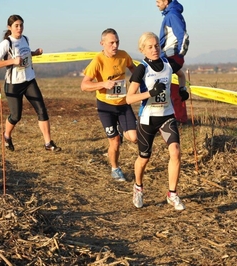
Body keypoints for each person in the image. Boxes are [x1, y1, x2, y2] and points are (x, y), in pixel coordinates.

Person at [126, 32, 189, 211]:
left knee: (175, 152)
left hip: (167, 116)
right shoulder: (141, 69)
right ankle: (138, 187)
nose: (154, 50)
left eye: (156, 46)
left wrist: (183, 89)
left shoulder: (169, 63)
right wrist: (150, 93)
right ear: (142, 49)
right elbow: (129, 99)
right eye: (150, 47)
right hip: (148, 119)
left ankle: (172, 194)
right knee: (144, 158)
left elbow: (182, 75)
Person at [0, 14, 61, 152]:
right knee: (16, 116)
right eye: (16, 25)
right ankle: (6, 136)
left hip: (29, 80)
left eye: (21, 25)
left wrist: (34, 53)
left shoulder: (25, 39)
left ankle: (48, 143)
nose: (19, 28)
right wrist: (12, 61)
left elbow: (25, 55)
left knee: (42, 111)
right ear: (9, 27)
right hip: (13, 85)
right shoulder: (6, 43)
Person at [81, 28, 137, 182]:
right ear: (102, 43)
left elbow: (133, 69)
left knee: (134, 137)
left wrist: (139, 81)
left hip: (123, 103)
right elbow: (84, 85)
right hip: (105, 106)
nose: (115, 45)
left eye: (117, 42)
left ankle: (122, 128)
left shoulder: (123, 55)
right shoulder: (97, 60)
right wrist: (103, 84)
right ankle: (115, 168)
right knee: (115, 142)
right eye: (111, 42)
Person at [156, 0, 190, 124]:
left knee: (162, 87)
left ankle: (173, 119)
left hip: (170, 57)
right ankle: (179, 118)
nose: (156, 4)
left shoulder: (172, 15)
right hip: (168, 56)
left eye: (158, 1)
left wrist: (179, 55)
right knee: (173, 88)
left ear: (166, 1)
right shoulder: (170, 14)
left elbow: (183, 36)